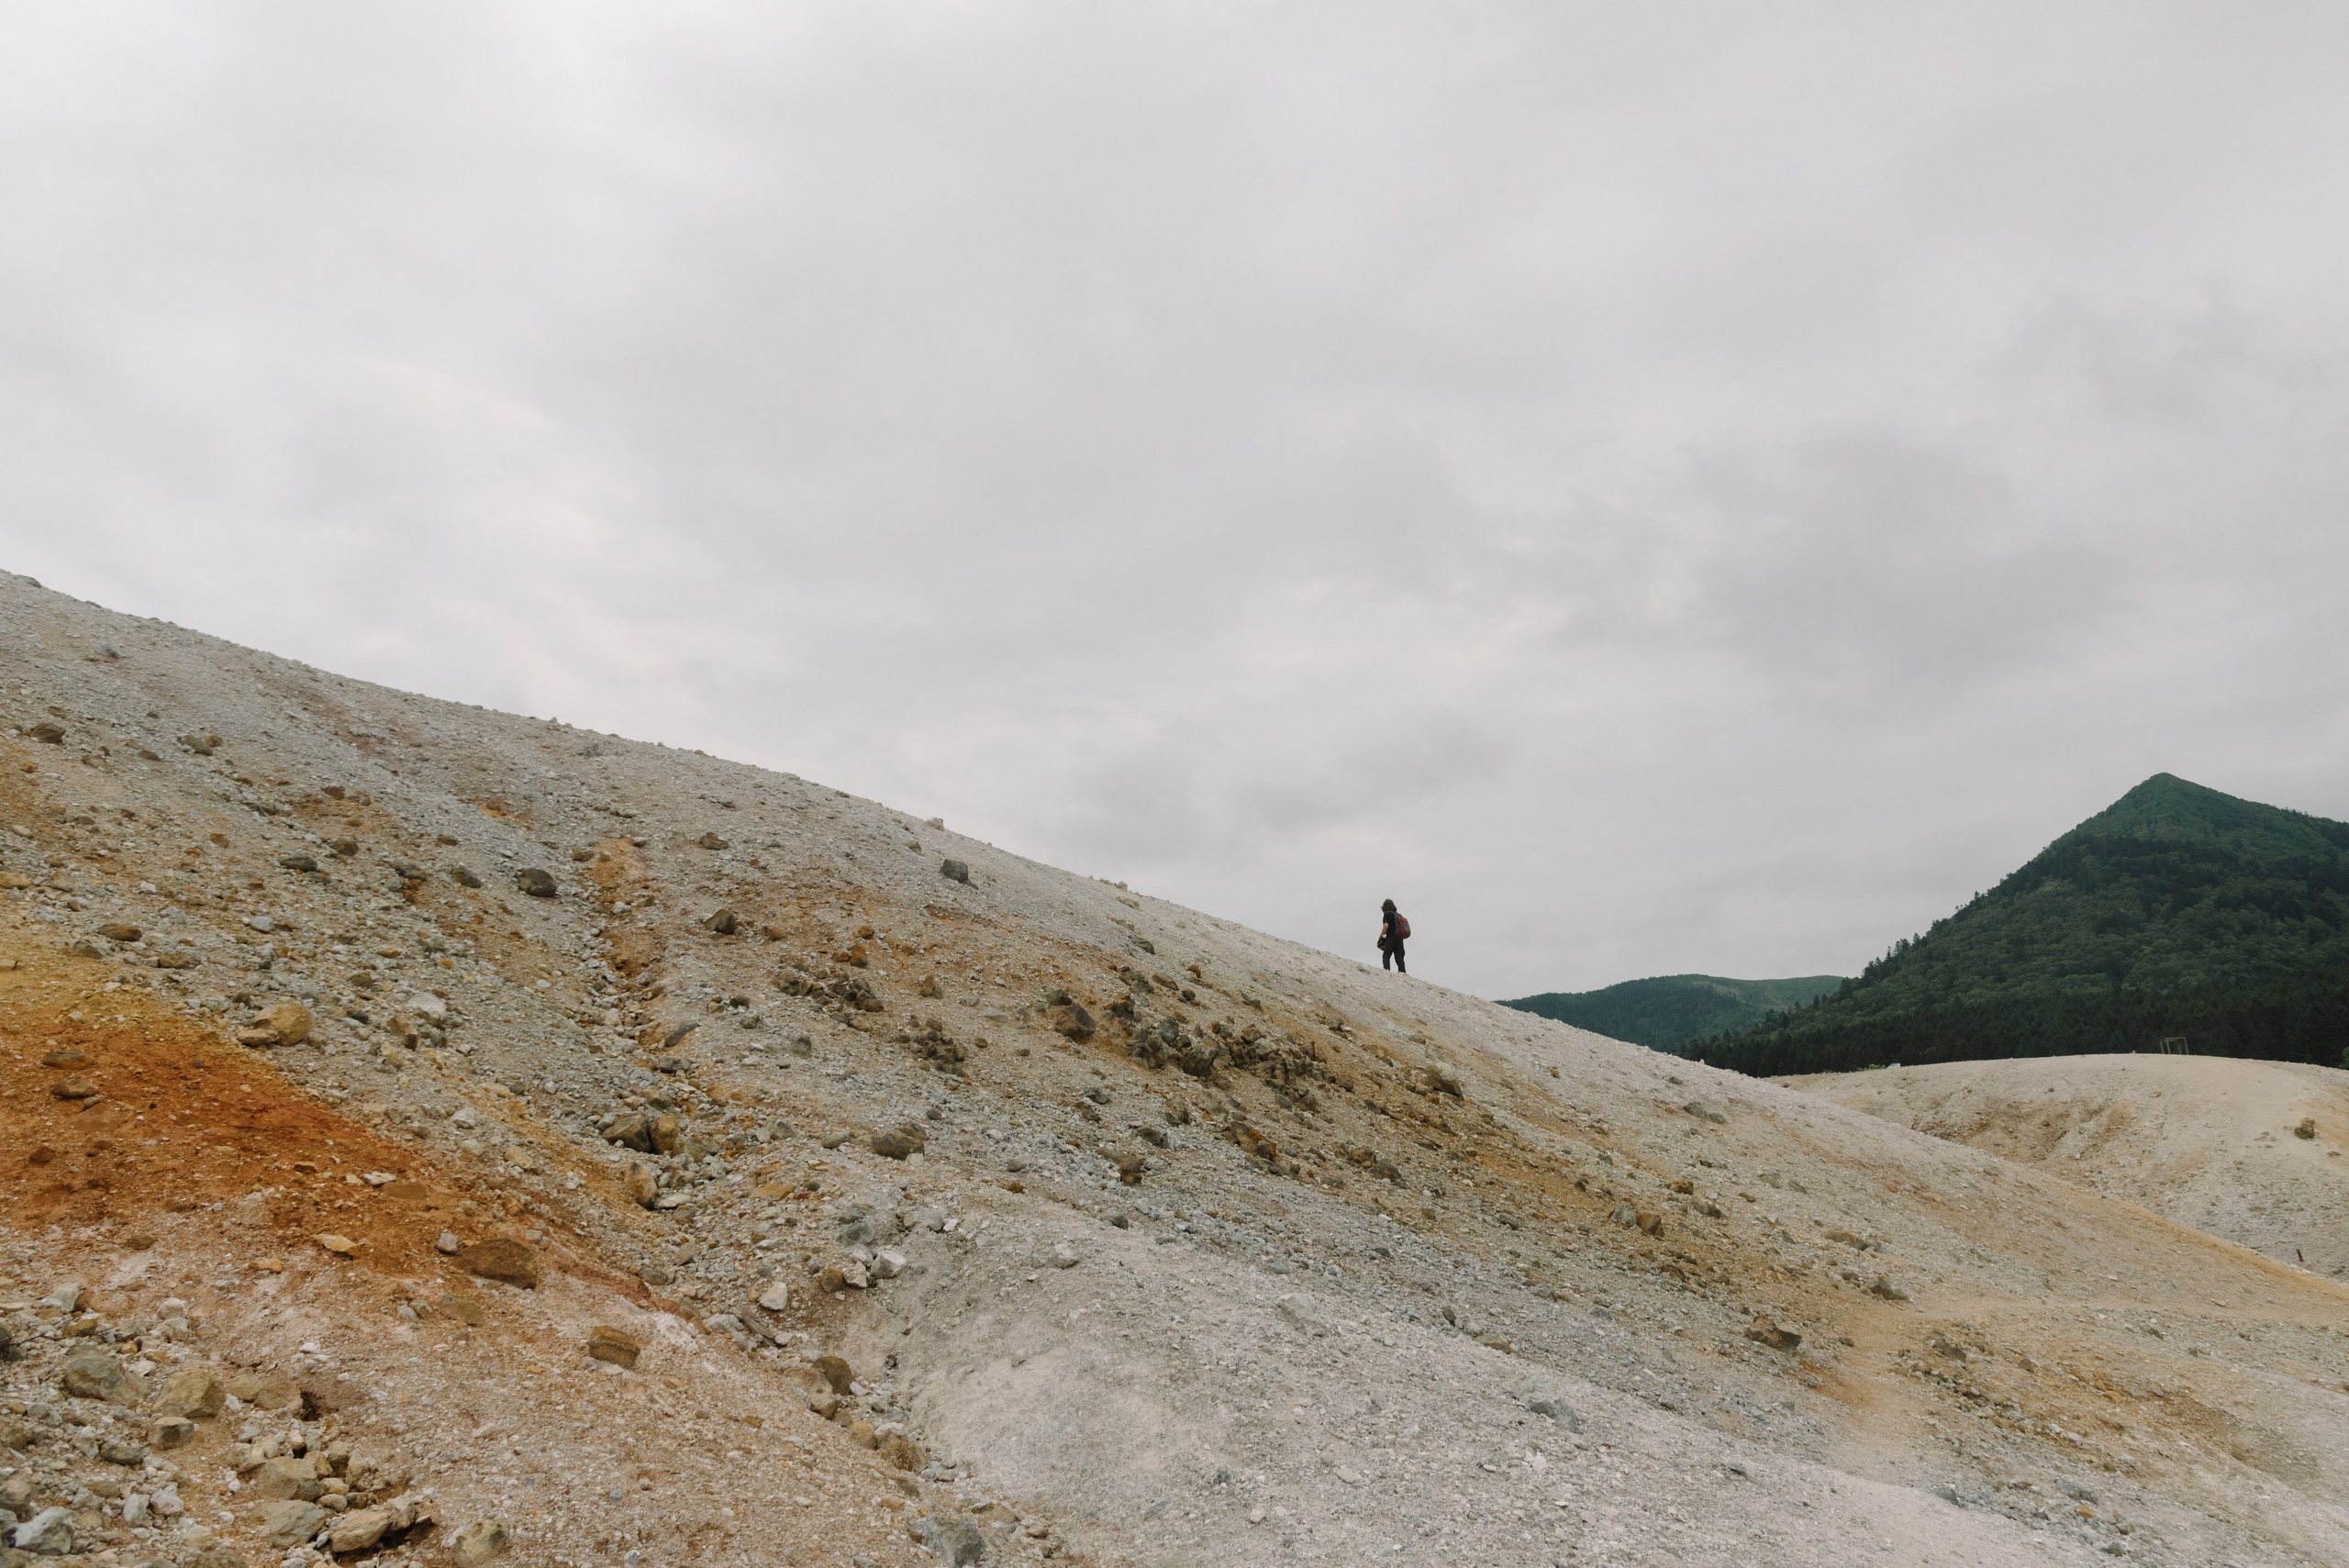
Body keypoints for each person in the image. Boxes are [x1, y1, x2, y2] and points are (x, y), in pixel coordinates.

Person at [1377, 898, 1407, 973]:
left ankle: (1386, 971)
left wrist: (1381, 935)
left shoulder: (1387, 914)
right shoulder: (1399, 915)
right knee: (1399, 957)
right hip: (1399, 938)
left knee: (1386, 955)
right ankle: (1403, 973)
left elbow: (1386, 925)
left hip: (1391, 937)